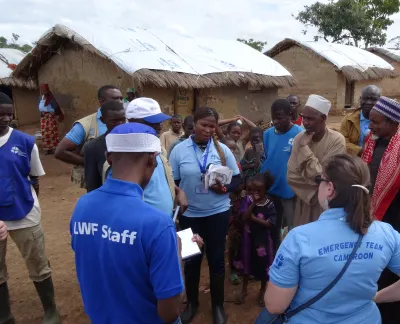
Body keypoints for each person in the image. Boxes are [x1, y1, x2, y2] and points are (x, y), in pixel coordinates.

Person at [263, 154, 400, 323]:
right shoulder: (385, 233)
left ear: (330, 189)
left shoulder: (298, 238)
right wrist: (375, 298)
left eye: (319, 180)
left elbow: (275, 306)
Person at [70, 123, 196, 324]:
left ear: (109, 157)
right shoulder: (158, 224)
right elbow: (170, 312)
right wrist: (177, 254)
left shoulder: (83, 205)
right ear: (152, 160)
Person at [169, 107, 242, 324]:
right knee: (191, 259)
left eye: (213, 126)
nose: (209, 130)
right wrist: (179, 195)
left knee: (217, 259)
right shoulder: (179, 150)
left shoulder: (222, 151)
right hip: (189, 215)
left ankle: (218, 306)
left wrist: (225, 189)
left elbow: (237, 180)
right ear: (194, 125)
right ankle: (192, 303)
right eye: (204, 125)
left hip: (218, 213)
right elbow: (172, 181)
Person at [0, 93, 60, 324]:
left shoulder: (25, 142)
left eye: (9, 114)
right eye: (1, 114)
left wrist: (30, 204)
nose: (6, 118)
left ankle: (51, 310)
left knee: (38, 263)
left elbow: (34, 178)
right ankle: (5, 315)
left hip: (24, 213)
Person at [361, 96, 400, 324]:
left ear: (392, 122)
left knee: (392, 279)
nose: (371, 126)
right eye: (370, 121)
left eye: (376, 122)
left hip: (394, 227)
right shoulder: (371, 143)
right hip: (370, 223)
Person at [103, 97, 188, 217]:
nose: (159, 126)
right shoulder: (121, 159)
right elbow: (121, 207)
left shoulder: (158, 147)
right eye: (152, 122)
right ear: (132, 121)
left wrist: (178, 191)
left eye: (160, 121)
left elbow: (162, 180)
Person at [287, 94, 346, 227]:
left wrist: (304, 148)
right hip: (305, 201)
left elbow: (324, 176)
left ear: (323, 118)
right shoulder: (298, 139)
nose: (305, 122)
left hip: (326, 204)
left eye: (310, 119)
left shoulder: (337, 140)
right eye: (304, 118)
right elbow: (291, 175)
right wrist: (315, 193)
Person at [55, 85, 123, 189]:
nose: (120, 101)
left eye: (121, 98)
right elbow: (60, 152)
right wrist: (92, 162)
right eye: (115, 98)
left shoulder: (125, 121)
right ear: (101, 101)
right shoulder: (84, 125)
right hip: (97, 180)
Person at [260, 99, 303, 248]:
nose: (276, 121)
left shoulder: (299, 133)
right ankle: (275, 254)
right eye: (273, 118)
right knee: (273, 225)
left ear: (290, 115)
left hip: (290, 189)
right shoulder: (267, 134)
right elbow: (267, 157)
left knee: (293, 226)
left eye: (280, 117)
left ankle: (292, 255)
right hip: (271, 187)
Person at [234, 172, 276, 307]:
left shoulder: (269, 204)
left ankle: (262, 290)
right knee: (247, 262)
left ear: (265, 190)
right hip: (248, 239)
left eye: (259, 190)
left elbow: (271, 223)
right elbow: (244, 217)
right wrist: (253, 205)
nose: (254, 193)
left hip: (263, 241)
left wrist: (255, 219)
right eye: (252, 190)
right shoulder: (247, 201)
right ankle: (244, 289)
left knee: (264, 265)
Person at [84, 100, 126, 192]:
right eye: (114, 121)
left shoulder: (134, 143)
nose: (120, 125)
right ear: (103, 120)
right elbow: (92, 184)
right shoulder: (93, 148)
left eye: (123, 120)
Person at [340, 85, 381, 156]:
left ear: (380, 101)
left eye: (373, 99)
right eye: (365, 98)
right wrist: (361, 151)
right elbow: (342, 142)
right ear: (360, 99)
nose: (368, 102)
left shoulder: (384, 122)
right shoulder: (348, 120)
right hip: (353, 161)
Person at [38, 84, 64, 155]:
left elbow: (55, 106)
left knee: (52, 133)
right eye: (42, 90)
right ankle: (47, 149)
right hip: (43, 118)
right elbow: (39, 107)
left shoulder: (51, 98)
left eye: (45, 90)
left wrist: (52, 113)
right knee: (44, 134)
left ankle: (54, 148)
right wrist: (42, 113)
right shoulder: (40, 98)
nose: (44, 91)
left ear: (47, 90)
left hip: (50, 117)